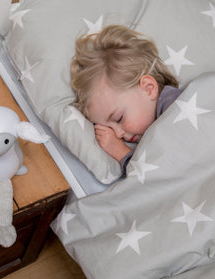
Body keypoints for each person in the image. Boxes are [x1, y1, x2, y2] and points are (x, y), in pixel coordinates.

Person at [70, 25, 182, 175]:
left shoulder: (177, 106)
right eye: (109, 128)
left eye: (118, 118)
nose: (118, 135)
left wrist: (122, 153)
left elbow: (160, 175)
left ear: (148, 89)